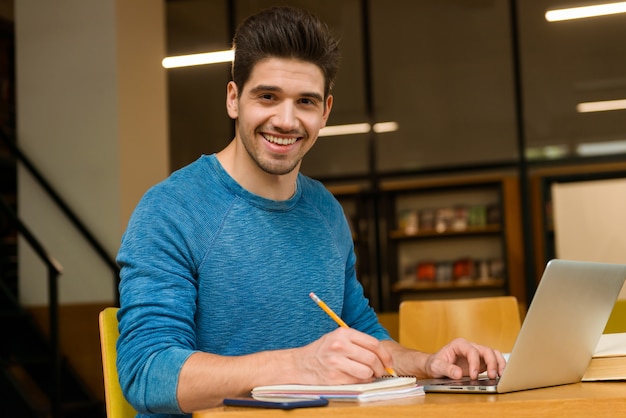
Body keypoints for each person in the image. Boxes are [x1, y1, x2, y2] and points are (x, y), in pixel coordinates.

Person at [116, 6, 506, 417]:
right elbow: (146, 374)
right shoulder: (171, 209)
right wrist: (299, 365)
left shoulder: (325, 210)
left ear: (326, 111)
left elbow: (362, 335)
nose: (286, 120)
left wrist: (428, 364)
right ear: (233, 99)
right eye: (267, 97)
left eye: (305, 102)